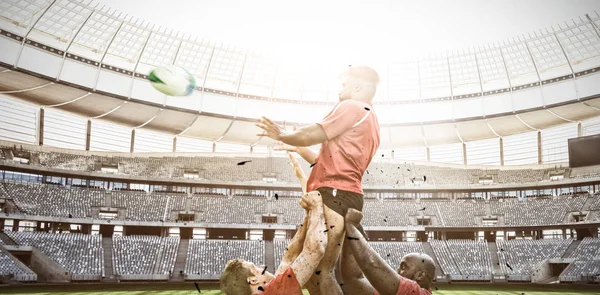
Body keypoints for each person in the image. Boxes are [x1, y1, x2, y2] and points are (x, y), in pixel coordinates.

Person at [256, 65, 381, 295]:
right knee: (325, 274)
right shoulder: (372, 121)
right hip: (347, 195)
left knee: (322, 272)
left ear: (357, 87)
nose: (340, 91)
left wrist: (280, 134)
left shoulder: (352, 106)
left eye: (344, 85)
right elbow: (331, 164)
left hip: (333, 194)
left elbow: (310, 134)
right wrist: (299, 149)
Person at [220, 154, 327, 295]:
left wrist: (309, 211)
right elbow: (315, 250)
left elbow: (290, 255)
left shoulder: (270, 290)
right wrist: (317, 206)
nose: (262, 266)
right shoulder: (275, 290)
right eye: (255, 268)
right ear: (252, 280)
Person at [342, 208, 434, 295]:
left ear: (421, 275)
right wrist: (352, 233)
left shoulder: (416, 293)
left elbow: (371, 264)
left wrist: (350, 224)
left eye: (403, 267)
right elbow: (353, 279)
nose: (397, 271)